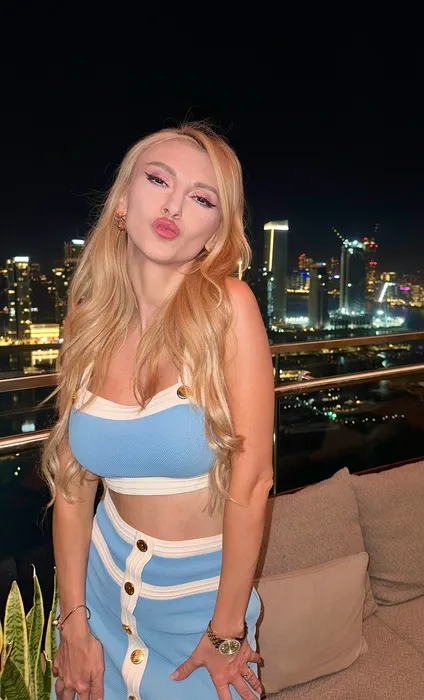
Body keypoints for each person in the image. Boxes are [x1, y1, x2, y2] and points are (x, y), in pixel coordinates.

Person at [41, 122, 275, 700]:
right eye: (158, 180)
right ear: (123, 202)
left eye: (202, 198)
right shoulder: (85, 321)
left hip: (200, 615)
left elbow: (253, 480)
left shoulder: (229, 310)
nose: (174, 205)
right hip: (98, 593)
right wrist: (73, 622)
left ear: (214, 232)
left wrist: (226, 631)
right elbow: (73, 483)